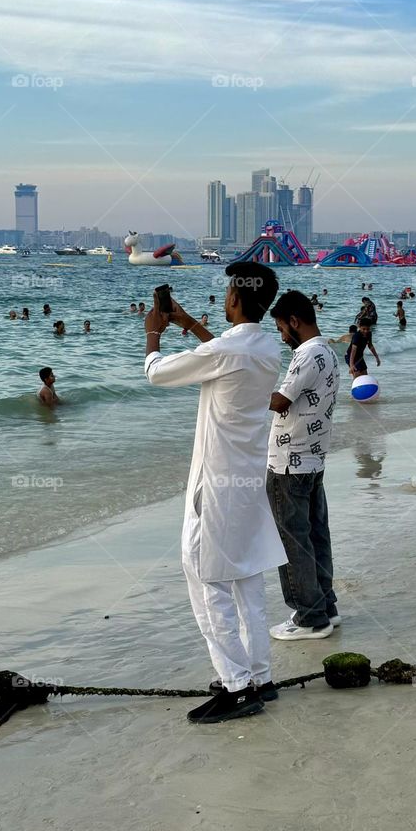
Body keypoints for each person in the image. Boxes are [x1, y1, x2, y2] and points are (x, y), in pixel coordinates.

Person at [143, 263, 286, 725]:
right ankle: (259, 676)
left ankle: (237, 685)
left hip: (216, 482)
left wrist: (154, 334)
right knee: (246, 577)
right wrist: (187, 324)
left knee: (205, 577)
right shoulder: (264, 346)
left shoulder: (229, 350)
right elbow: (222, 353)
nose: (224, 296)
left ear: (235, 298)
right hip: (246, 479)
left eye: (227, 290)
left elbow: (158, 374)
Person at [266, 290, 341, 640]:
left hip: (288, 463)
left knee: (291, 540)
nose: (282, 336)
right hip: (313, 457)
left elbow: (281, 400)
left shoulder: (306, 354)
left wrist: (242, 388)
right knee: (315, 534)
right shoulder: (327, 350)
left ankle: (309, 616)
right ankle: (326, 605)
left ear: (294, 321)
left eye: (282, 328)